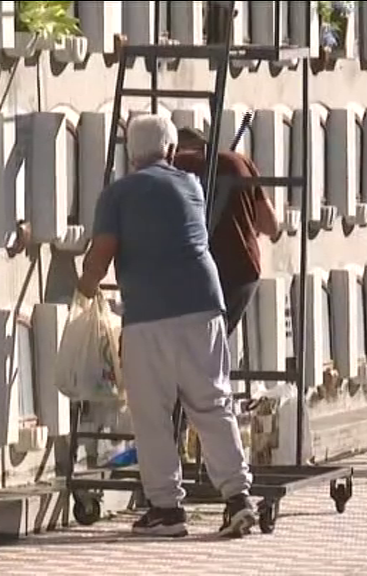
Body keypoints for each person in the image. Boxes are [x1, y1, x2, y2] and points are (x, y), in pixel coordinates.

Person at [76, 114, 256, 538]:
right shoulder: (191, 187)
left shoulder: (117, 194)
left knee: (151, 414)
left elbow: (101, 256)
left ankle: (166, 509)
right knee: (212, 405)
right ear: (172, 152)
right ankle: (237, 499)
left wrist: (84, 286)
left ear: (128, 154)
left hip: (149, 315)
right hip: (204, 308)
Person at [173, 127, 281, 335]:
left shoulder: (176, 166)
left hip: (197, 272)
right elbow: (271, 225)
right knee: (214, 345)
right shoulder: (239, 162)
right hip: (243, 269)